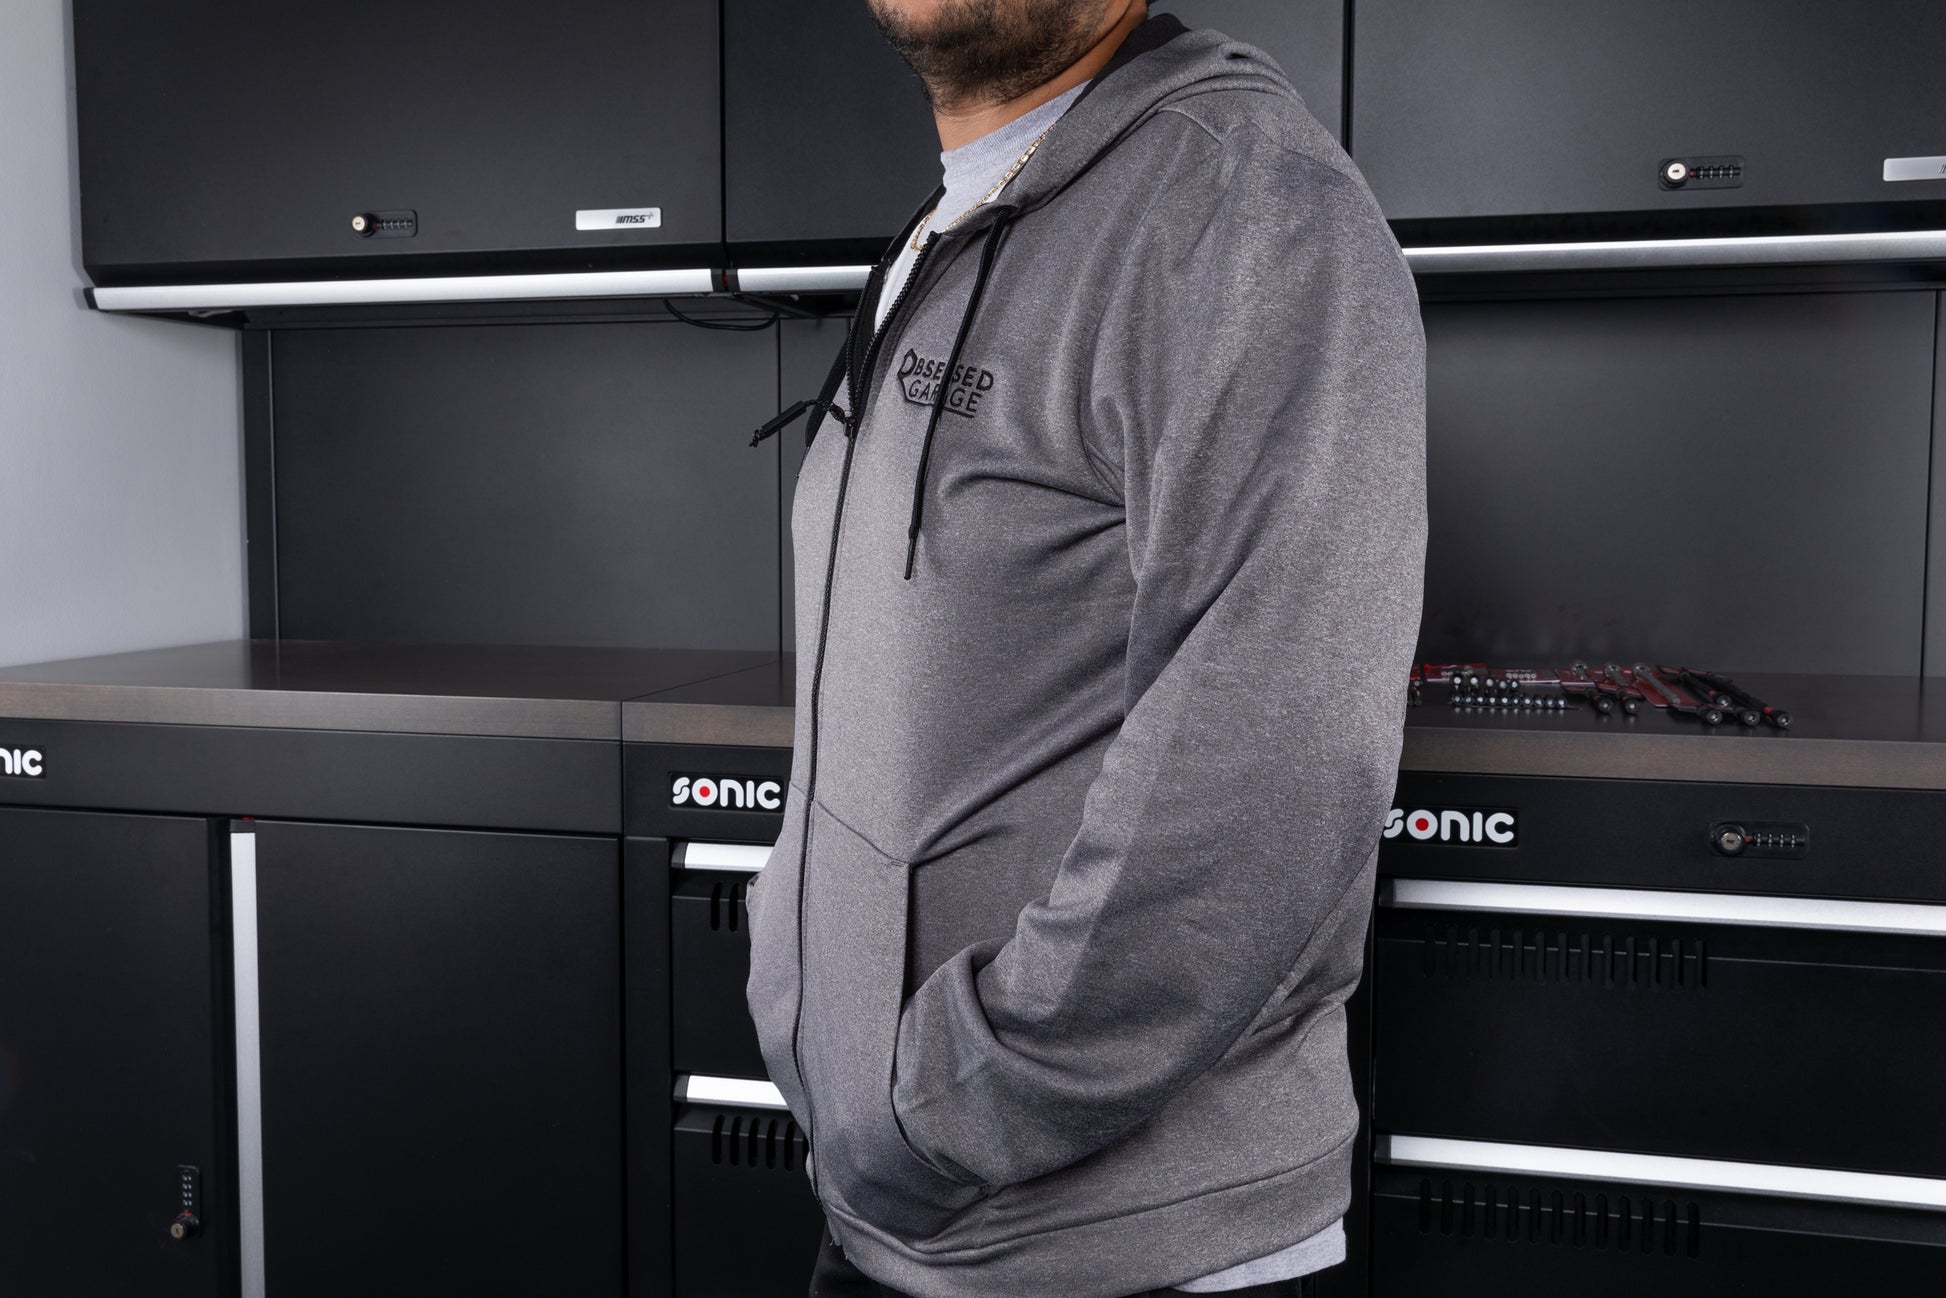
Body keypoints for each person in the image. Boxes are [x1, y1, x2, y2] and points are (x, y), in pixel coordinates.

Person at [744, 2, 1426, 1295]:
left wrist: (945, 1103)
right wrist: (801, 987)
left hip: (1130, 1250)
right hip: (899, 1211)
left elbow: (1269, 774)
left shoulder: (1244, 205)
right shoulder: (965, 216)